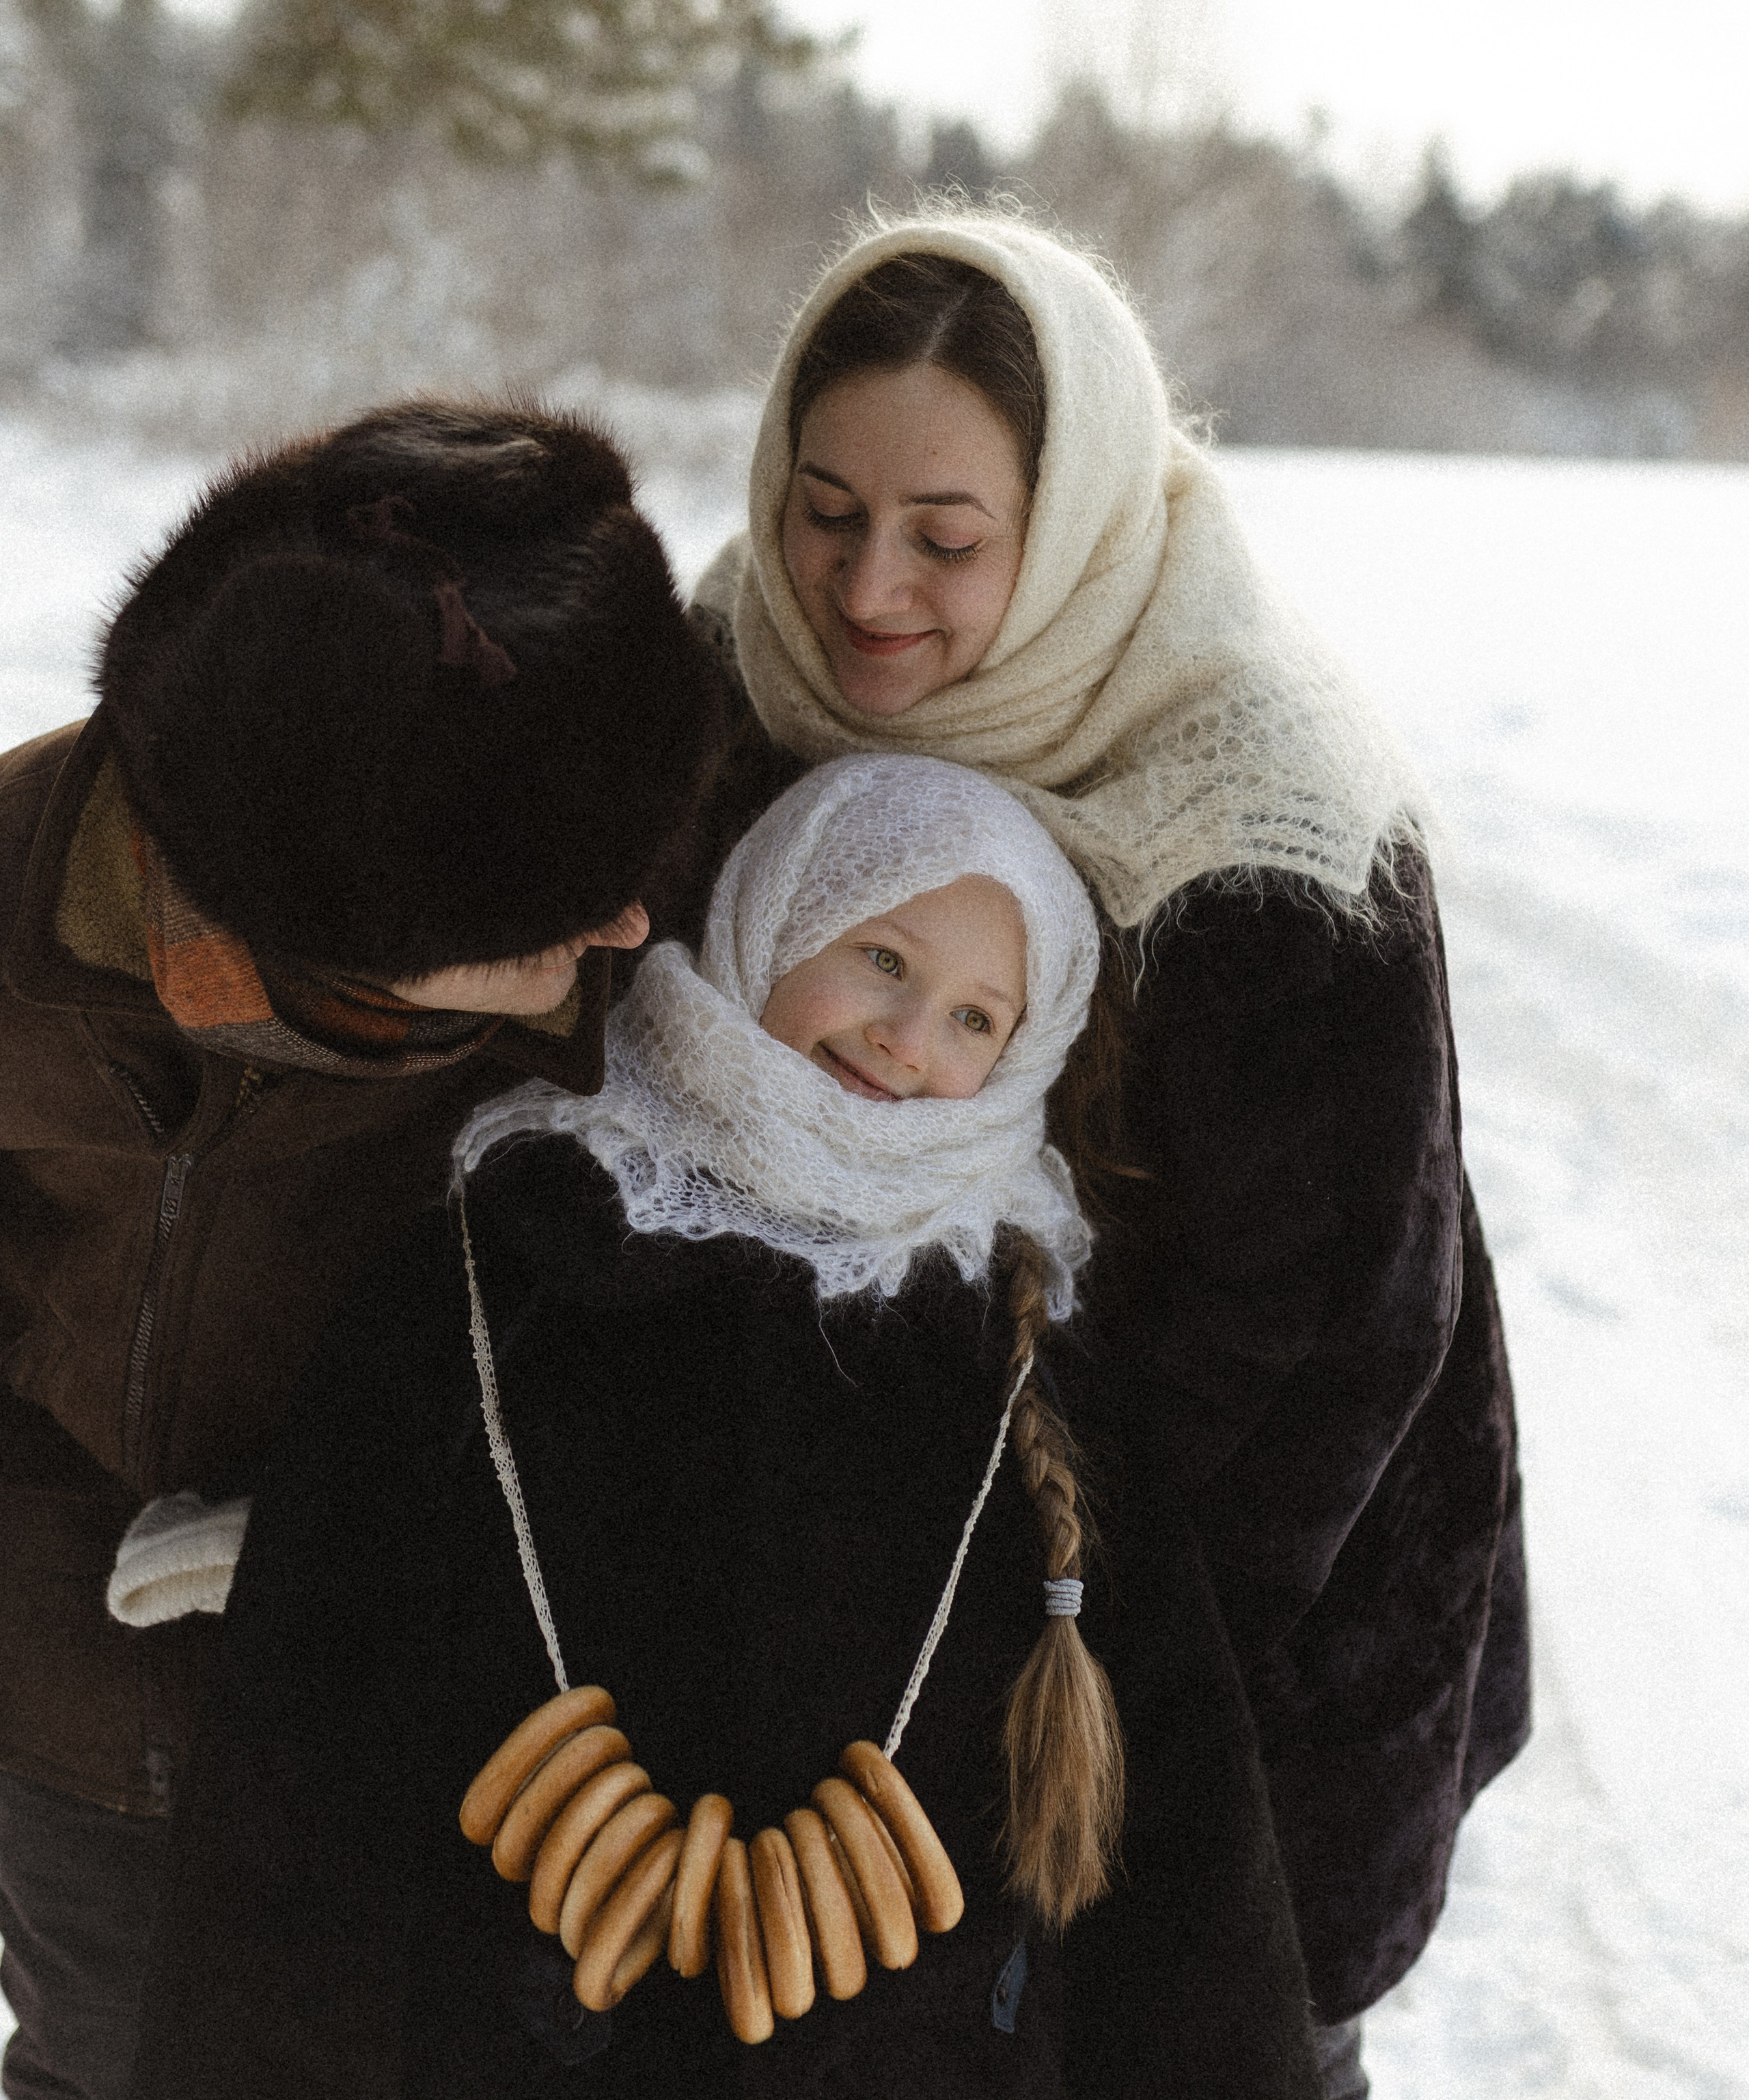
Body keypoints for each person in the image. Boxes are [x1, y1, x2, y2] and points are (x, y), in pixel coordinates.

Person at [126, 755, 1321, 2099]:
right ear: (770, 913)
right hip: (507, 2035)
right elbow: (301, 1730)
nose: (907, 1036)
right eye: (879, 956)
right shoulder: (508, 1249)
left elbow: (1177, 1812)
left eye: (974, 1016)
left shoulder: (1031, 1337)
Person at [685, 208, 1532, 2090]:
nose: (864, 588)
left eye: (947, 539)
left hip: (1222, 1671)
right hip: (842, 1662)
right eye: (823, 509)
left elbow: (1329, 1361)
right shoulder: (737, 681)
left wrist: (1047, 1673)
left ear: (1064, 520)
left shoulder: (1267, 820)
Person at [0, 398, 723, 2100]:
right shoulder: (20, 909)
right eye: (561, 911)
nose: (625, 918)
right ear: (326, 937)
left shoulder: (637, 904)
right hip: (82, 1728)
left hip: (463, 1736)